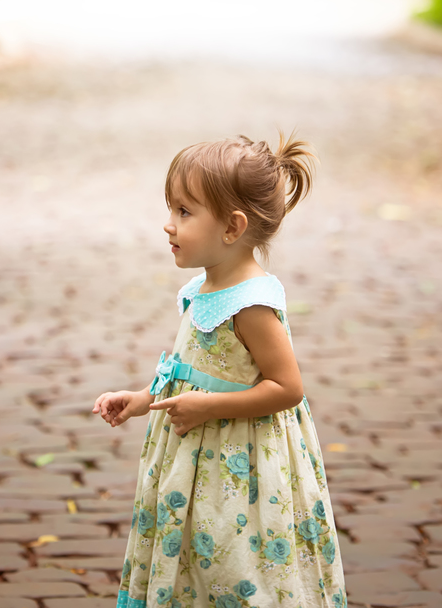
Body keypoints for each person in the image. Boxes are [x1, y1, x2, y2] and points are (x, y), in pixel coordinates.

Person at [92, 134, 347, 608]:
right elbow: (189, 372)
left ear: (232, 227)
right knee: (196, 560)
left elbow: (287, 388)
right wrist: (142, 399)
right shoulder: (202, 289)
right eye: (171, 210)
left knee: (235, 565)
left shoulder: (251, 304)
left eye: (184, 213)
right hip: (194, 462)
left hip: (240, 466)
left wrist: (211, 407)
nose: (168, 226)